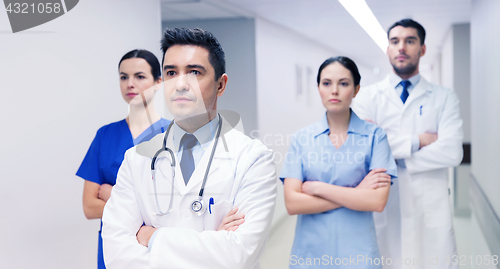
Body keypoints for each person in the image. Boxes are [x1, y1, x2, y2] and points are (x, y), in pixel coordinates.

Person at [101, 28, 277, 269]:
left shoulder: (253, 158)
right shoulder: (136, 160)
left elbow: (238, 255)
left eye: (194, 72)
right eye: (171, 72)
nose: (181, 84)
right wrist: (214, 242)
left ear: (220, 85)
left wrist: (152, 237)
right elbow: (117, 255)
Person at [351, 19, 464, 268]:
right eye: (395, 41)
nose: (401, 47)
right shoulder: (366, 98)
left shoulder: (444, 97)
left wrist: (389, 151)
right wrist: (418, 141)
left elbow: (452, 152)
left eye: (410, 41)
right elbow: (361, 150)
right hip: (383, 204)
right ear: (388, 48)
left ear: (422, 49)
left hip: (429, 206)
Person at [281, 56, 397, 268]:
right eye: (327, 83)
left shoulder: (375, 137)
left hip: (358, 254)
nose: (334, 90)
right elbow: (292, 203)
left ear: (356, 89)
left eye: (343, 83)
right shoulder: (302, 139)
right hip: (311, 254)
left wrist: (318, 188)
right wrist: (358, 191)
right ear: (318, 88)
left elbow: (377, 202)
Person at [76, 49, 171, 269]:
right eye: (123, 77)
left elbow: (174, 206)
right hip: (112, 244)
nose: (130, 84)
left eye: (139, 76)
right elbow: (89, 207)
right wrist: (143, 207)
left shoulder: (173, 135)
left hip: (156, 245)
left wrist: (113, 196)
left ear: (158, 82)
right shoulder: (105, 135)